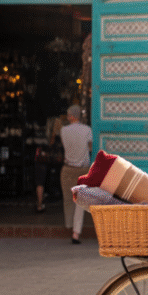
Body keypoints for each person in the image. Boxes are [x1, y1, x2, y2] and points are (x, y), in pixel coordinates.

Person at [59, 104, 92, 243]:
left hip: (67, 169)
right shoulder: (87, 130)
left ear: (71, 116)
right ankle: (76, 233)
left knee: (68, 199)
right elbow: (90, 147)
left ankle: (69, 225)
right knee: (80, 202)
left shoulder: (64, 130)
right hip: (83, 169)